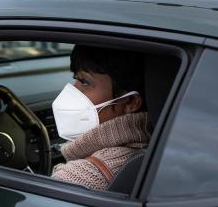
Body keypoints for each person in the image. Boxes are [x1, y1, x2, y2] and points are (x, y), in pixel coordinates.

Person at [50, 46, 150, 190]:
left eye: (85, 82)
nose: (72, 90)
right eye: (75, 79)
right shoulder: (161, 144)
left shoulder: (77, 178)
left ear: (130, 102)